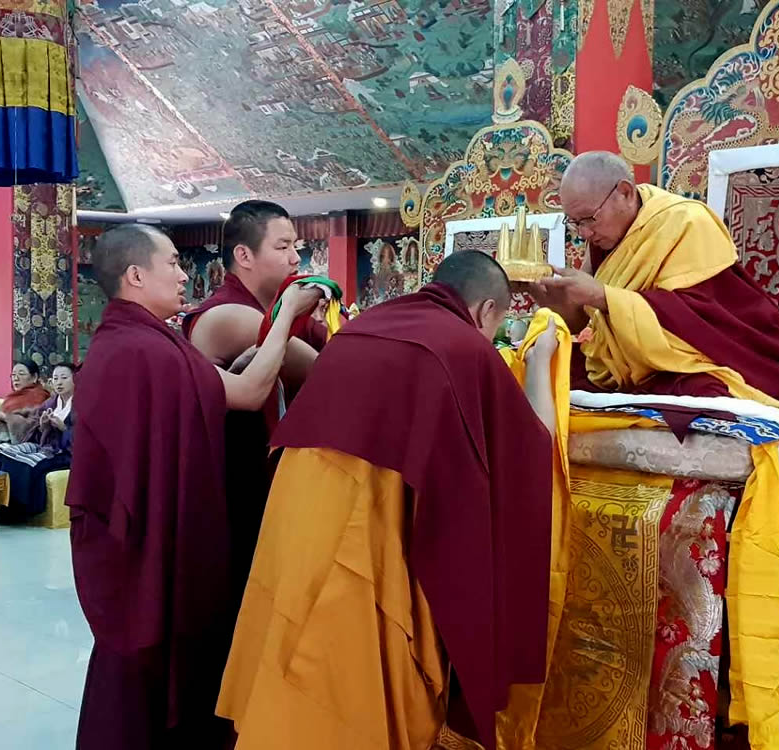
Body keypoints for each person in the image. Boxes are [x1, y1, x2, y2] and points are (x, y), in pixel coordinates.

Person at [217, 251, 559, 750]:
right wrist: (540, 362)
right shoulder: (464, 345)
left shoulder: (365, 325)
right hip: (367, 527)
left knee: (290, 639)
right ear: (487, 311)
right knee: (354, 673)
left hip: (294, 516)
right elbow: (534, 448)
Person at [66, 224, 322, 750]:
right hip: (147, 544)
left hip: (128, 536)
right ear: (136, 275)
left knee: (131, 668)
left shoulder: (132, 342)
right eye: (174, 265)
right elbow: (250, 393)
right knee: (152, 673)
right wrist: (286, 316)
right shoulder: (148, 349)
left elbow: (214, 390)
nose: (186, 275)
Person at [528, 151, 779, 409]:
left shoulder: (686, 222)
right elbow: (597, 327)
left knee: (699, 395)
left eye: (589, 219)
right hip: (635, 365)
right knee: (544, 373)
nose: (583, 234)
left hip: (714, 356)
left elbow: (697, 319)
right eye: (574, 223)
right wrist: (562, 306)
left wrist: (603, 297)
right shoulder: (606, 238)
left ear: (625, 192)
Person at [183, 200, 322, 610]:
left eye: (295, 245)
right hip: (235, 489)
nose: (295, 257)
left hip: (260, 479)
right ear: (244, 255)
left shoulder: (266, 312)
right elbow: (327, 373)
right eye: (282, 246)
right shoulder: (230, 315)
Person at [0, 363, 77, 521]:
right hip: (45, 444)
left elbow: (84, 436)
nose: (59, 382)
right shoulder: (52, 402)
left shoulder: (81, 404)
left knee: (26, 464)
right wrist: (43, 426)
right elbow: (35, 429)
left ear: (75, 379)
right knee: (4, 456)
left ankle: (18, 510)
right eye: (55, 378)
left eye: (64, 378)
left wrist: (63, 428)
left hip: (64, 451)